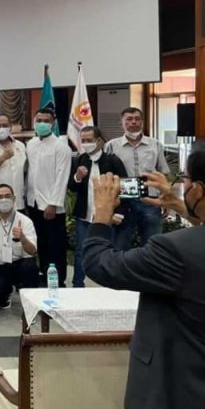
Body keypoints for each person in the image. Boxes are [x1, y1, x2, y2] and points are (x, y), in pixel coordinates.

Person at [84, 140, 205, 409]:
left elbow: (101, 264)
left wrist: (103, 212)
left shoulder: (176, 250)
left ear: (199, 190)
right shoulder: (195, 244)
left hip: (194, 407)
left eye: (184, 180)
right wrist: (183, 209)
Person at [68, 126, 127, 287]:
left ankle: (109, 287)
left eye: (89, 140)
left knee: (109, 251)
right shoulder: (79, 160)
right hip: (85, 215)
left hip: (108, 215)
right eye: (83, 140)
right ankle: (78, 285)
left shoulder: (112, 160)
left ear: (99, 141)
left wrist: (119, 213)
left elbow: (124, 188)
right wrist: (77, 177)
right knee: (81, 251)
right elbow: (72, 188)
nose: (86, 144)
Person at [104, 107, 170, 251]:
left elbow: (163, 173)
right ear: (121, 123)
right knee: (120, 245)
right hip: (123, 201)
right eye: (129, 119)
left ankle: (149, 267)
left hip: (150, 200)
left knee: (152, 245)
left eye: (137, 119)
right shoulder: (111, 146)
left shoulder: (155, 144)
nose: (133, 122)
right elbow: (105, 175)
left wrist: (165, 198)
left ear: (142, 122)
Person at [26, 107, 72, 286]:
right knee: (41, 243)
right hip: (33, 202)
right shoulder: (31, 144)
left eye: (46, 121)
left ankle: (58, 281)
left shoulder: (61, 147)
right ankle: (44, 276)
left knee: (56, 246)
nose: (42, 124)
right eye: (39, 120)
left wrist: (53, 204)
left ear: (53, 123)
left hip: (52, 206)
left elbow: (62, 177)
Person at [0, 184, 38, 308]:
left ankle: (28, 299)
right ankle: (6, 293)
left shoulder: (25, 221)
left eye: (7, 196)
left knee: (30, 266)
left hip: (20, 263)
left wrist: (23, 238)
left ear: (14, 198)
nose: (4, 200)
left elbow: (33, 251)